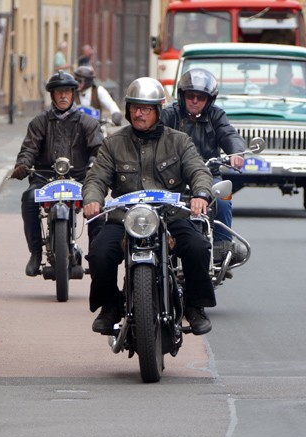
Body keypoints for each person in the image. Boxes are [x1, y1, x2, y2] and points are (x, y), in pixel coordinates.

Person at [83, 77, 216, 336]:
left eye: (146, 108)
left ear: (158, 110)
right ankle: (110, 306)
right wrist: (92, 199)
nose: (139, 113)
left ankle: (194, 306)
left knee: (198, 247)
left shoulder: (179, 141)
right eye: (134, 107)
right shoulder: (114, 143)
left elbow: (198, 170)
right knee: (99, 253)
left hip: (171, 216)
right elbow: (96, 177)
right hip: (125, 218)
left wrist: (200, 194)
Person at [11, 71, 103, 276]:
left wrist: (93, 165)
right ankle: (35, 253)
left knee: (97, 203)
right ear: (52, 95)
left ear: (73, 94)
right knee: (29, 197)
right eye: (58, 92)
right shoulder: (39, 122)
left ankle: (97, 256)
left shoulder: (88, 123)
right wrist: (23, 164)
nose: (63, 96)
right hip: (45, 178)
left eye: (67, 92)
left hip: (79, 178)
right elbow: (29, 149)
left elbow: (100, 151)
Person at [160, 68, 244, 257]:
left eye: (201, 97)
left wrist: (236, 152)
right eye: (191, 96)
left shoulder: (216, 115)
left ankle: (222, 247)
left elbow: (229, 133)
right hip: (174, 176)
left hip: (208, 173)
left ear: (209, 100)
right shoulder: (169, 115)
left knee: (222, 200)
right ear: (182, 96)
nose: (195, 101)